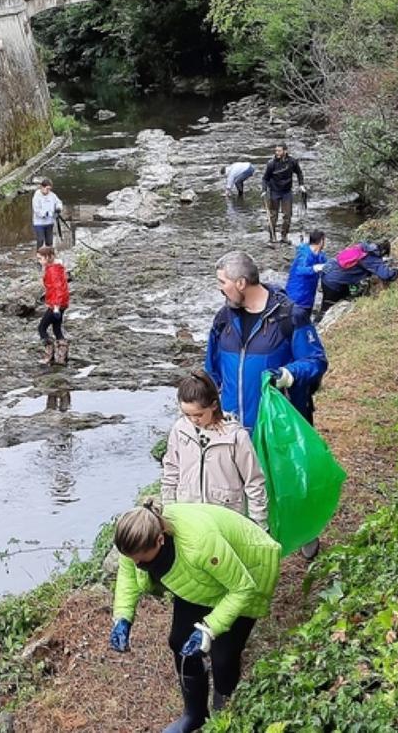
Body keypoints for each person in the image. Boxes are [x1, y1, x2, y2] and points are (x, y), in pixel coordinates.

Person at [107, 499, 281, 732]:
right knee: (180, 641)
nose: (136, 564)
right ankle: (195, 714)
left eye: (140, 558)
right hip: (200, 580)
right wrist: (123, 617)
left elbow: (242, 588)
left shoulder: (199, 543)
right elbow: (128, 572)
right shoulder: (139, 538)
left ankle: (223, 716)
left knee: (223, 656)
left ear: (160, 540)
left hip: (248, 570)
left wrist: (210, 628)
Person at [206, 251, 327, 430]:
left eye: (223, 282)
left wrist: (287, 375)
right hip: (231, 431)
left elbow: (316, 361)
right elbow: (211, 372)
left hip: (276, 431)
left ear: (241, 283)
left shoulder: (290, 317)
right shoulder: (223, 319)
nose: (219, 288)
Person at [162, 370, 268, 530]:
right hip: (188, 516)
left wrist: (259, 522)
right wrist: (168, 513)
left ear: (213, 405)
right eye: (186, 414)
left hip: (226, 518)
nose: (193, 420)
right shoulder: (180, 429)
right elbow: (171, 471)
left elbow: (254, 482)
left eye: (198, 414)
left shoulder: (236, 436)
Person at [319, 241, 398, 314]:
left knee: (341, 298)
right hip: (334, 282)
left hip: (328, 273)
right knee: (327, 308)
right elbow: (386, 275)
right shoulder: (371, 259)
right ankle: (317, 326)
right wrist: (397, 270)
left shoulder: (362, 247)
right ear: (383, 252)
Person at [262, 145, 305, 243]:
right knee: (273, 215)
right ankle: (272, 237)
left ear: (285, 151)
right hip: (274, 192)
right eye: (276, 151)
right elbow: (265, 178)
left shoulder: (292, 162)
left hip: (287, 192)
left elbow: (299, 173)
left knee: (288, 215)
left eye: (279, 151)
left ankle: (284, 236)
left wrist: (301, 185)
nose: (277, 153)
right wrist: (264, 190)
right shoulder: (271, 164)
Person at [285, 230, 327, 319]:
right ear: (321, 242)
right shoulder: (304, 254)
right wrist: (314, 268)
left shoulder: (320, 255)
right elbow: (300, 270)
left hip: (309, 295)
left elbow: (327, 266)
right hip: (297, 295)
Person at [38, 245, 70, 365]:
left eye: (40, 258)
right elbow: (58, 287)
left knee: (41, 328)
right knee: (57, 328)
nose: (39, 261)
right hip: (62, 303)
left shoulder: (52, 271)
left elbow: (57, 289)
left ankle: (49, 356)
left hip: (56, 304)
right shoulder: (57, 267)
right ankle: (62, 357)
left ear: (47, 257)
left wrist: (55, 307)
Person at [31, 178, 64, 248]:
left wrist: (58, 208)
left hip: (49, 222)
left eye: (49, 189)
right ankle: (39, 256)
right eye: (47, 189)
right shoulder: (36, 197)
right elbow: (37, 210)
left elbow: (59, 202)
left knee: (49, 241)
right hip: (39, 223)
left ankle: (49, 257)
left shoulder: (52, 195)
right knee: (40, 240)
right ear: (42, 187)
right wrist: (46, 214)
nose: (48, 191)